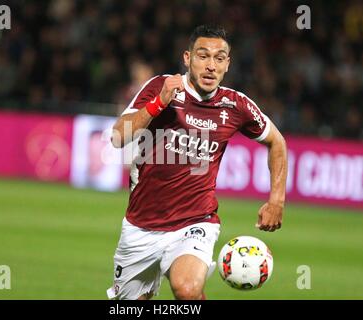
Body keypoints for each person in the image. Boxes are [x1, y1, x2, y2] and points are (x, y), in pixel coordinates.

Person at [108, 25, 287, 300]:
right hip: (140, 226)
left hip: (196, 221)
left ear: (227, 64)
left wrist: (276, 200)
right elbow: (119, 137)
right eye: (203, 56)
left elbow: (277, 142)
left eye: (219, 58)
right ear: (187, 58)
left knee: (187, 289)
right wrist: (158, 104)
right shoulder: (161, 86)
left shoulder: (236, 105)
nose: (210, 66)